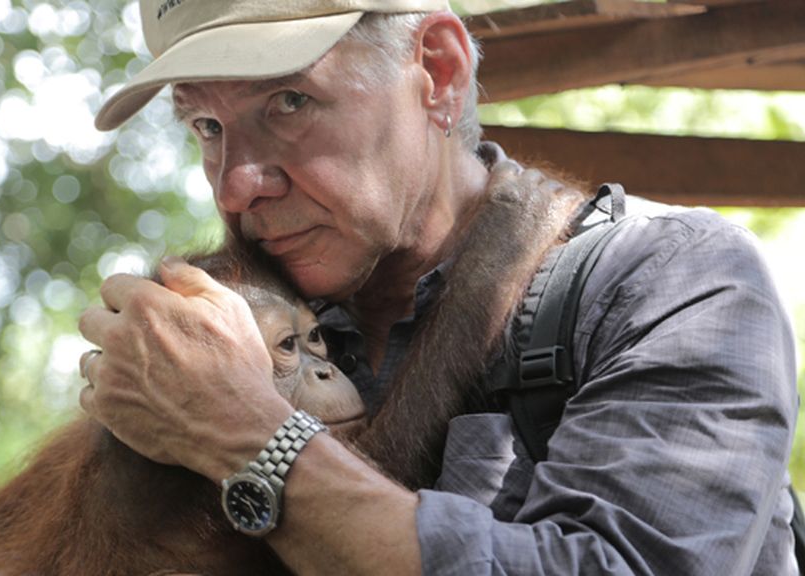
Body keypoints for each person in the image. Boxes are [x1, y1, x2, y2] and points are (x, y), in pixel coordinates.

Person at [77, 1, 799, 574]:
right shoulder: (223, 322)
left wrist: (247, 440)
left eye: (289, 103)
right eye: (206, 124)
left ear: (439, 72)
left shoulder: (668, 280)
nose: (236, 184)